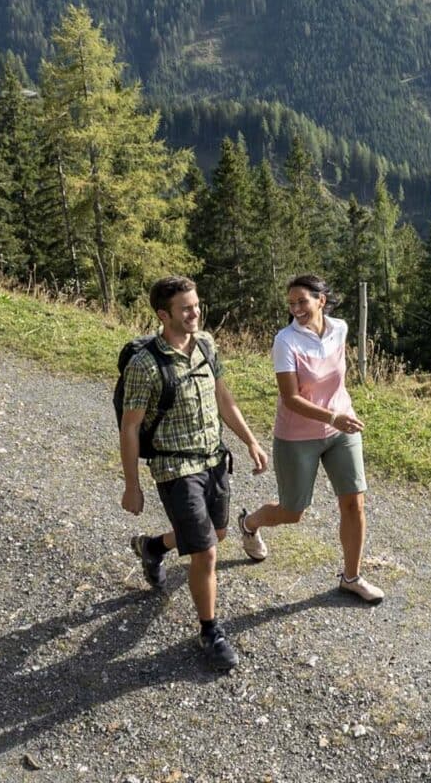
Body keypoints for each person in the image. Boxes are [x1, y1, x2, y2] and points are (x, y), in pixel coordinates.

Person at [120, 275, 269, 672]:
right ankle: (210, 631)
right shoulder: (145, 364)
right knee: (206, 550)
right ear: (163, 315)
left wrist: (251, 441)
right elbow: (130, 426)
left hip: (213, 460)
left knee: (215, 534)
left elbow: (223, 397)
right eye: (186, 308)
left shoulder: (205, 344)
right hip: (174, 467)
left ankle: (153, 547)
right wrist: (132, 484)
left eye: (196, 304)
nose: (195, 312)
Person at [232, 274, 384, 604]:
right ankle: (249, 523)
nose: (296, 308)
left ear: (321, 301)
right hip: (298, 435)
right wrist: (332, 417)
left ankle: (351, 577)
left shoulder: (340, 329)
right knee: (292, 511)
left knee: (354, 502)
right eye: (291, 303)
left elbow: (335, 377)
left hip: (341, 431)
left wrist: (338, 416)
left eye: (302, 301)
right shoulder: (286, 341)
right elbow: (290, 398)